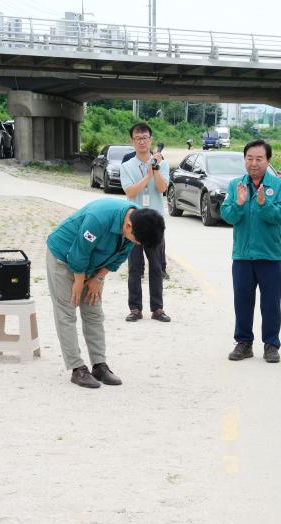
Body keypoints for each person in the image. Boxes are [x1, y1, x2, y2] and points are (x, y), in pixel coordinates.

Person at [46, 199, 165, 388]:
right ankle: (77, 369)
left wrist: (97, 279)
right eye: (136, 240)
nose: (135, 244)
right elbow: (80, 251)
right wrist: (78, 281)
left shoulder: (137, 224)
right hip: (64, 257)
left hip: (93, 264)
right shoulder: (98, 219)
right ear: (128, 225)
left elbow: (120, 255)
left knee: (93, 312)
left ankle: (99, 365)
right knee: (67, 312)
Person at [221, 140, 281, 363]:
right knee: (242, 300)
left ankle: (271, 344)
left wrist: (263, 204)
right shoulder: (235, 185)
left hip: (269, 255)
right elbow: (228, 216)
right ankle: (244, 343)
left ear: (268, 161)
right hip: (242, 255)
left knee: (271, 302)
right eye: (249, 158)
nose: (253, 163)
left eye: (259, 159)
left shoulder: (280, 186)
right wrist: (239, 204)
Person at [120, 122, 171, 323]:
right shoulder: (126, 166)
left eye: (145, 138)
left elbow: (161, 188)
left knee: (156, 266)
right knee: (134, 266)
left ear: (150, 140)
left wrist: (155, 169)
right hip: (133, 223)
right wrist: (147, 175)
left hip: (155, 222)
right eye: (137, 138)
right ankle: (135, 308)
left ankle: (157, 308)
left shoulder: (162, 164)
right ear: (132, 142)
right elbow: (130, 191)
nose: (142, 141)